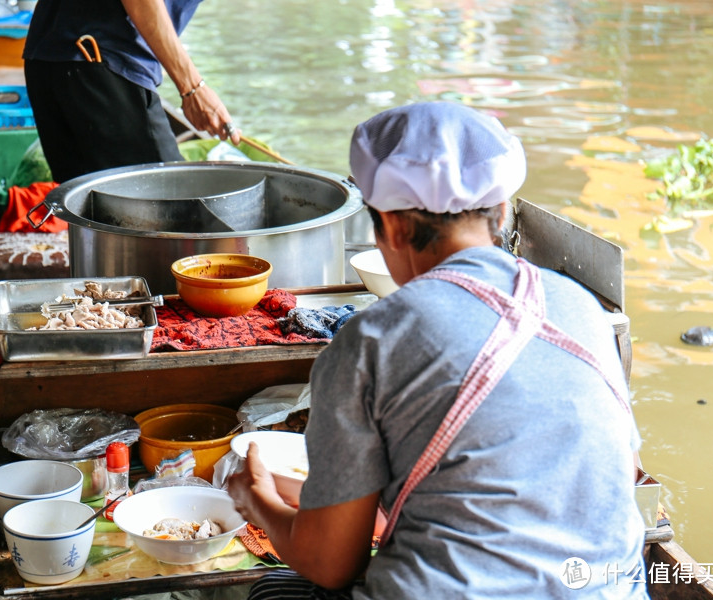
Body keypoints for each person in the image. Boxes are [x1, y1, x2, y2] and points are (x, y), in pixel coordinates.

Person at [227, 102, 648, 599]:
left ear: (394, 227)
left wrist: (255, 499)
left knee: (275, 592)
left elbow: (329, 564)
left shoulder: (372, 340)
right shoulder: (582, 308)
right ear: (502, 211)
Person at [22, 0, 240, 183]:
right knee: (175, 207)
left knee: (95, 215)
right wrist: (193, 88)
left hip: (50, 56)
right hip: (98, 61)